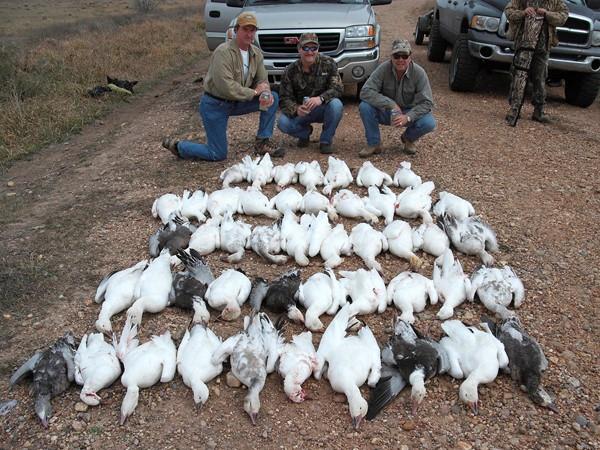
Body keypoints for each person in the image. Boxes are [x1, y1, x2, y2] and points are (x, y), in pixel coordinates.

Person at [162, 12, 283, 161]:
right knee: (217, 154)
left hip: (237, 102)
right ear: (236, 30)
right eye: (245, 29)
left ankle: (262, 143)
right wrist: (255, 91)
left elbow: (262, 79)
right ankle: (179, 146)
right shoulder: (223, 52)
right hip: (215, 105)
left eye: (252, 30)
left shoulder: (256, 53)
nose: (249, 34)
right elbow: (227, 87)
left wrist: (266, 94)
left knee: (273, 98)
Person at [358, 39, 435, 157]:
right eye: (396, 56)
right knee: (365, 106)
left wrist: (408, 117)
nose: (400, 60)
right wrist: (391, 104)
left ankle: (408, 138)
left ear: (410, 57)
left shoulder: (419, 73)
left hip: (408, 112)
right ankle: (374, 143)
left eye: (404, 56)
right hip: (387, 111)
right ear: (391, 57)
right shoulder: (383, 69)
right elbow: (365, 92)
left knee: (429, 123)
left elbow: (427, 103)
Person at [277, 33, 344, 154]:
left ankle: (326, 141)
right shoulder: (290, 70)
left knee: (336, 105)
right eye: (305, 48)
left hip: (323, 108)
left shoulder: (329, 63)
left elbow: (338, 88)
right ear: (299, 49)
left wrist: (321, 98)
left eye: (314, 48)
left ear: (318, 49)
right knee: (282, 122)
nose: (310, 52)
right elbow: (284, 98)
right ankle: (304, 133)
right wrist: (296, 109)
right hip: (303, 112)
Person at [504, 0, 568, 124]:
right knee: (518, 76)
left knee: (540, 78)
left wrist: (547, 14)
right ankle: (514, 109)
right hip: (523, 44)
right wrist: (523, 13)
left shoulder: (555, 1)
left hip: (543, 47)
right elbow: (508, 12)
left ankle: (539, 111)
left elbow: (563, 17)